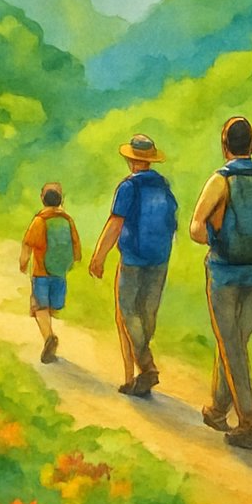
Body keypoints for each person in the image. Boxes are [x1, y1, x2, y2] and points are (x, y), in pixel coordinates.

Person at [188, 116, 252, 450]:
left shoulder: (220, 180)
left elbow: (196, 228)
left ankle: (248, 422)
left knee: (231, 343)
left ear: (224, 145)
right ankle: (217, 409)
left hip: (226, 273)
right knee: (235, 341)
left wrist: (219, 240)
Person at [89, 134, 179, 397]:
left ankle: (144, 367)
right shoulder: (163, 185)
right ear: (149, 160)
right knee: (147, 314)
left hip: (133, 259)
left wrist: (99, 256)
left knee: (127, 314)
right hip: (160, 258)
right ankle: (136, 375)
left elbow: (116, 223)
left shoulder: (128, 187)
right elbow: (172, 223)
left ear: (131, 160)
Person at [19, 182, 82, 364]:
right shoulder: (67, 220)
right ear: (61, 200)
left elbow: (28, 243)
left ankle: (49, 337)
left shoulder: (40, 220)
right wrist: (72, 261)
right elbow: (75, 244)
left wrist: (23, 262)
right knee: (52, 306)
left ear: (42, 199)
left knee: (39, 307)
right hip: (59, 272)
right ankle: (50, 337)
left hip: (41, 272)